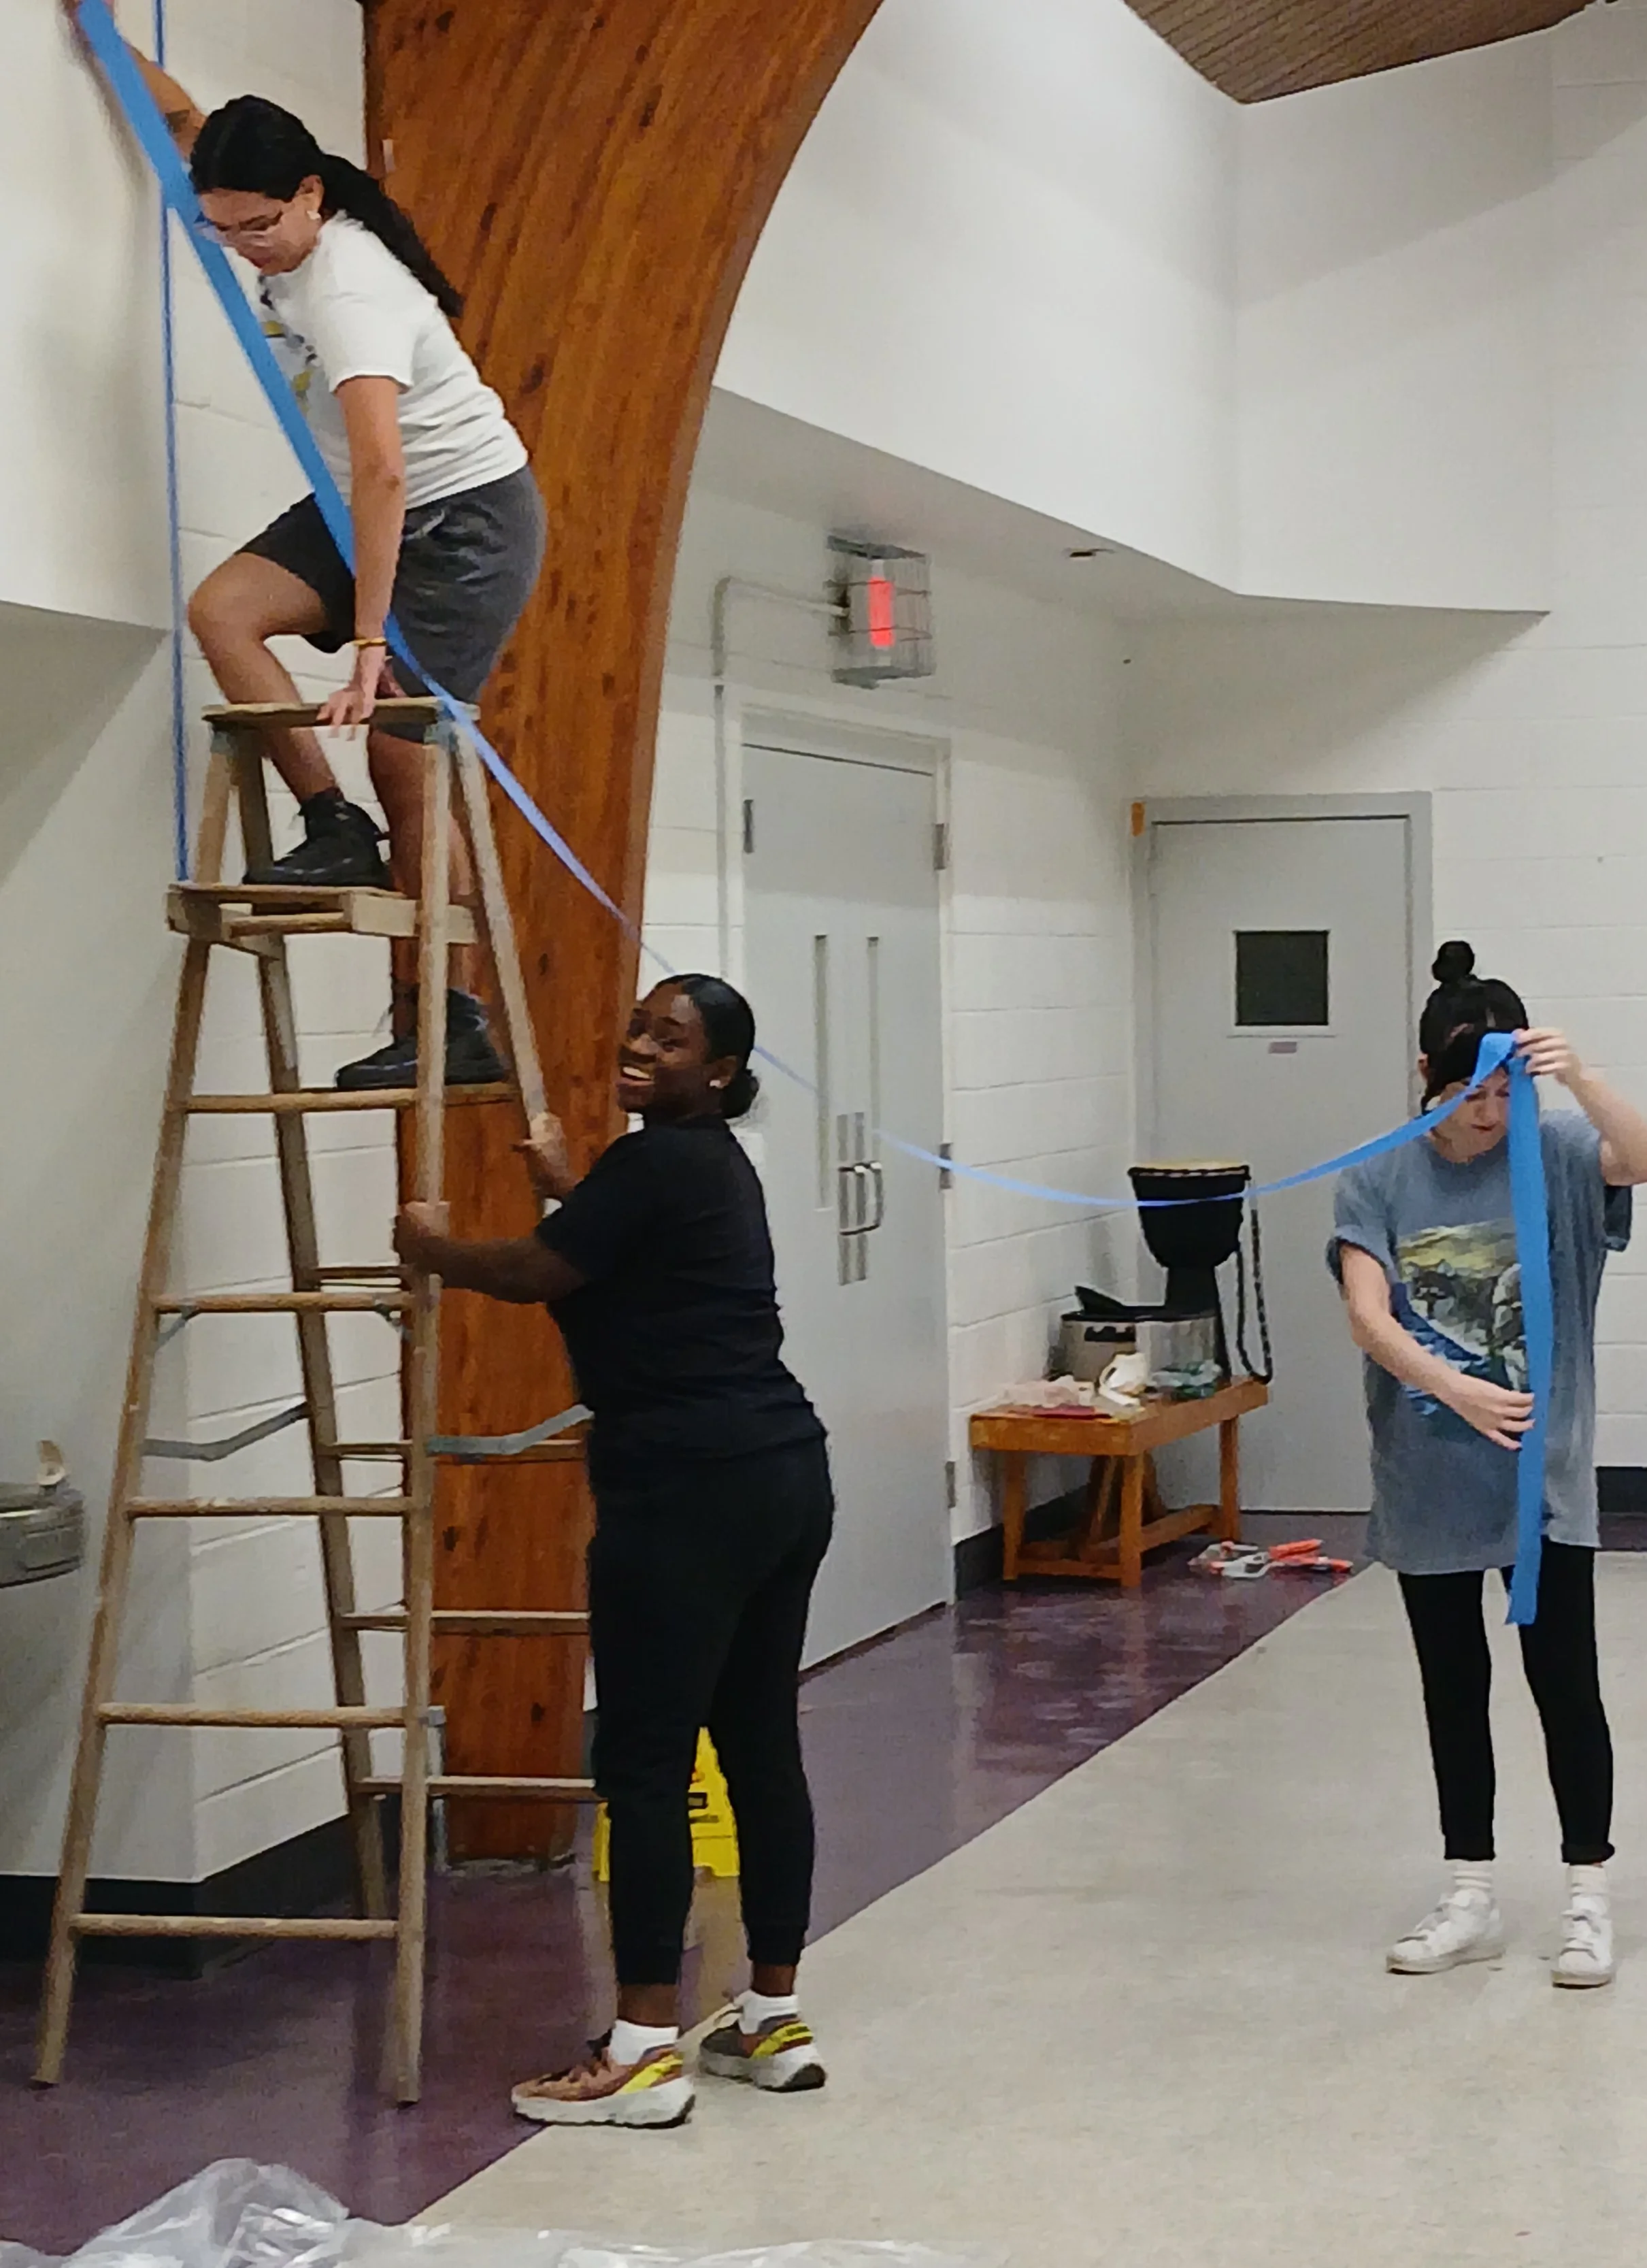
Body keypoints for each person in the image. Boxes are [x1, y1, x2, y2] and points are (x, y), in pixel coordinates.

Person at [76, 1, 546, 1089]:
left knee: (403, 751)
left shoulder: (347, 287)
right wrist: (95, 31)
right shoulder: (251, 189)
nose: (242, 249)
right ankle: (330, 823)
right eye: (219, 229)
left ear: (311, 198)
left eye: (259, 230)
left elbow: (389, 467)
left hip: (463, 517)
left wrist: (371, 640)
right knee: (224, 612)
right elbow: (184, 114)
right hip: (360, 505)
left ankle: (448, 1015)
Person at [394, 976, 833, 2127]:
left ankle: (641, 2048)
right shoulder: (700, 1170)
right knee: (757, 1742)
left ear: (722, 1073)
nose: (640, 1045)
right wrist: (559, 1185)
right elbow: (614, 1257)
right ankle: (769, 2016)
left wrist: (433, 1249)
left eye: (671, 1039)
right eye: (637, 1023)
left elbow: (545, 1274)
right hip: (782, 1472)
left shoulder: (659, 1166)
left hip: (685, 1490)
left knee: (642, 1761)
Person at [1330, 941, 1647, 1989]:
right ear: (1426, 1075)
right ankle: (1469, 1887)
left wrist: (1581, 1076)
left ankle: (1586, 1895)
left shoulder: (1559, 1150)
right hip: (1430, 1477)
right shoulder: (1378, 1172)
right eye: (1470, 1087)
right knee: (1452, 1687)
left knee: (1566, 1684)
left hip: (1542, 1481)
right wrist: (1455, 1386)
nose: (1490, 1110)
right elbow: (1366, 1315)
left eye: (1507, 1085)